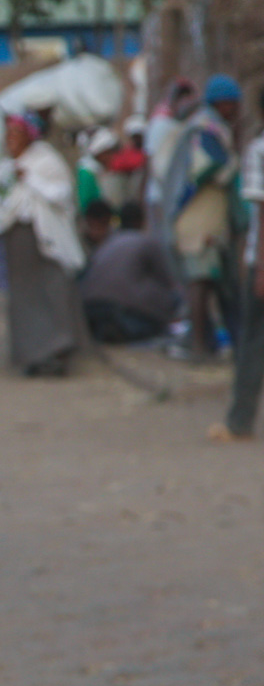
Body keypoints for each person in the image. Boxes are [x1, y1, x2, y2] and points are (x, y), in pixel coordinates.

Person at [0, 112, 85, 376]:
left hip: (46, 238)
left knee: (55, 290)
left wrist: (31, 178)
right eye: (8, 135)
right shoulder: (2, 170)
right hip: (17, 243)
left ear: (30, 137)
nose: (10, 140)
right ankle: (34, 356)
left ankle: (59, 349)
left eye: (16, 134)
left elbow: (61, 194)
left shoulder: (46, 161)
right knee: (24, 300)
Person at [162, 73, 241, 361]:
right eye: (233, 104)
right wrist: (233, 165)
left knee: (207, 282)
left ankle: (206, 342)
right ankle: (198, 347)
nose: (236, 110)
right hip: (198, 221)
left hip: (204, 219)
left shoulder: (207, 127)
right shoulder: (206, 130)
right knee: (200, 282)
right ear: (222, 103)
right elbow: (209, 171)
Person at [210, 86, 264, 441]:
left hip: (262, 261)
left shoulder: (258, 151)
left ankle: (239, 421)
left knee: (252, 343)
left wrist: (259, 265)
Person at [80, 200, 181, 344]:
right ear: (141, 221)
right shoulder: (147, 241)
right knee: (172, 298)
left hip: (89, 307)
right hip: (122, 309)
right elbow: (167, 281)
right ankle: (123, 329)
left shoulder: (108, 242)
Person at [144, 79, 198, 238]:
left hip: (176, 198)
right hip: (160, 197)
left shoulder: (184, 125)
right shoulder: (161, 124)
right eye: (181, 98)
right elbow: (154, 164)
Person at [76, 126, 121, 214]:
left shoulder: (98, 170)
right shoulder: (87, 173)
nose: (110, 157)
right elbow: (86, 204)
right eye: (107, 153)